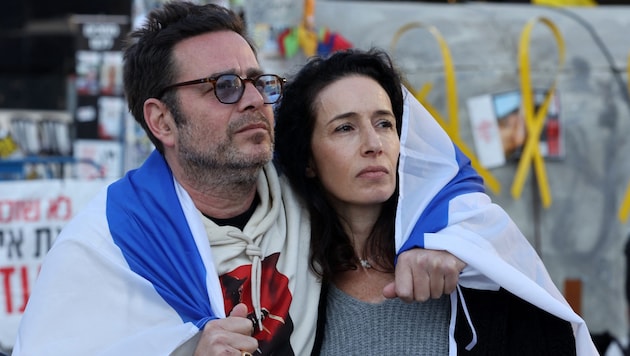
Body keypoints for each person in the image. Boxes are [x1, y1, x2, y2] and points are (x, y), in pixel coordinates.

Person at [12, 2, 463, 355]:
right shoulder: (104, 245)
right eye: (224, 85)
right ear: (163, 121)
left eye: (257, 80)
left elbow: (443, 172)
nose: (253, 100)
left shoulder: (300, 177)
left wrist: (434, 234)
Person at [274, 48, 598, 355]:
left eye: (384, 123)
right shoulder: (292, 279)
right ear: (308, 160)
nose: (374, 144)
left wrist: (458, 249)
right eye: (345, 128)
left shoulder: (467, 257)